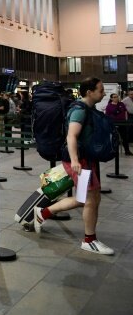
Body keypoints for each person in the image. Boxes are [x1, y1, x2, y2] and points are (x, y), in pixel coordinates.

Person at [34, 78, 114, 255]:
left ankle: (43, 213)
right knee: (91, 199)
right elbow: (71, 136)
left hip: (86, 160)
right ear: (89, 92)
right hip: (81, 161)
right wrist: (75, 160)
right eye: (101, 90)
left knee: (85, 199)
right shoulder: (79, 110)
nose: (104, 93)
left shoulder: (86, 109)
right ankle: (89, 240)